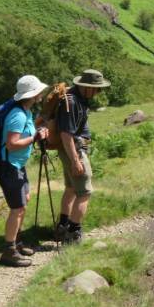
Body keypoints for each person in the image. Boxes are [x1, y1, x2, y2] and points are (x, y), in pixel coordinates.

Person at [0, 74, 50, 267]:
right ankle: (8, 251)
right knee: (17, 208)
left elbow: (27, 133)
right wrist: (35, 138)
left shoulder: (26, 111)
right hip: (8, 166)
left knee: (24, 202)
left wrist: (39, 132)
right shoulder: (17, 115)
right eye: (39, 91)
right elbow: (11, 144)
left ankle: (16, 242)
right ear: (32, 94)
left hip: (16, 165)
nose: (42, 93)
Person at [54, 69, 110, 244]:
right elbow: (66, 134)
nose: (98, 92)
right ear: (86, 87)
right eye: (97, 88)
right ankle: (73, 232)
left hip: (70, 150)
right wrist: (76, 160)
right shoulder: (72, 103)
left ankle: (62, 226)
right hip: (73, 150)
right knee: (85, 192)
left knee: (71, 188)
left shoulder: (77, 98)